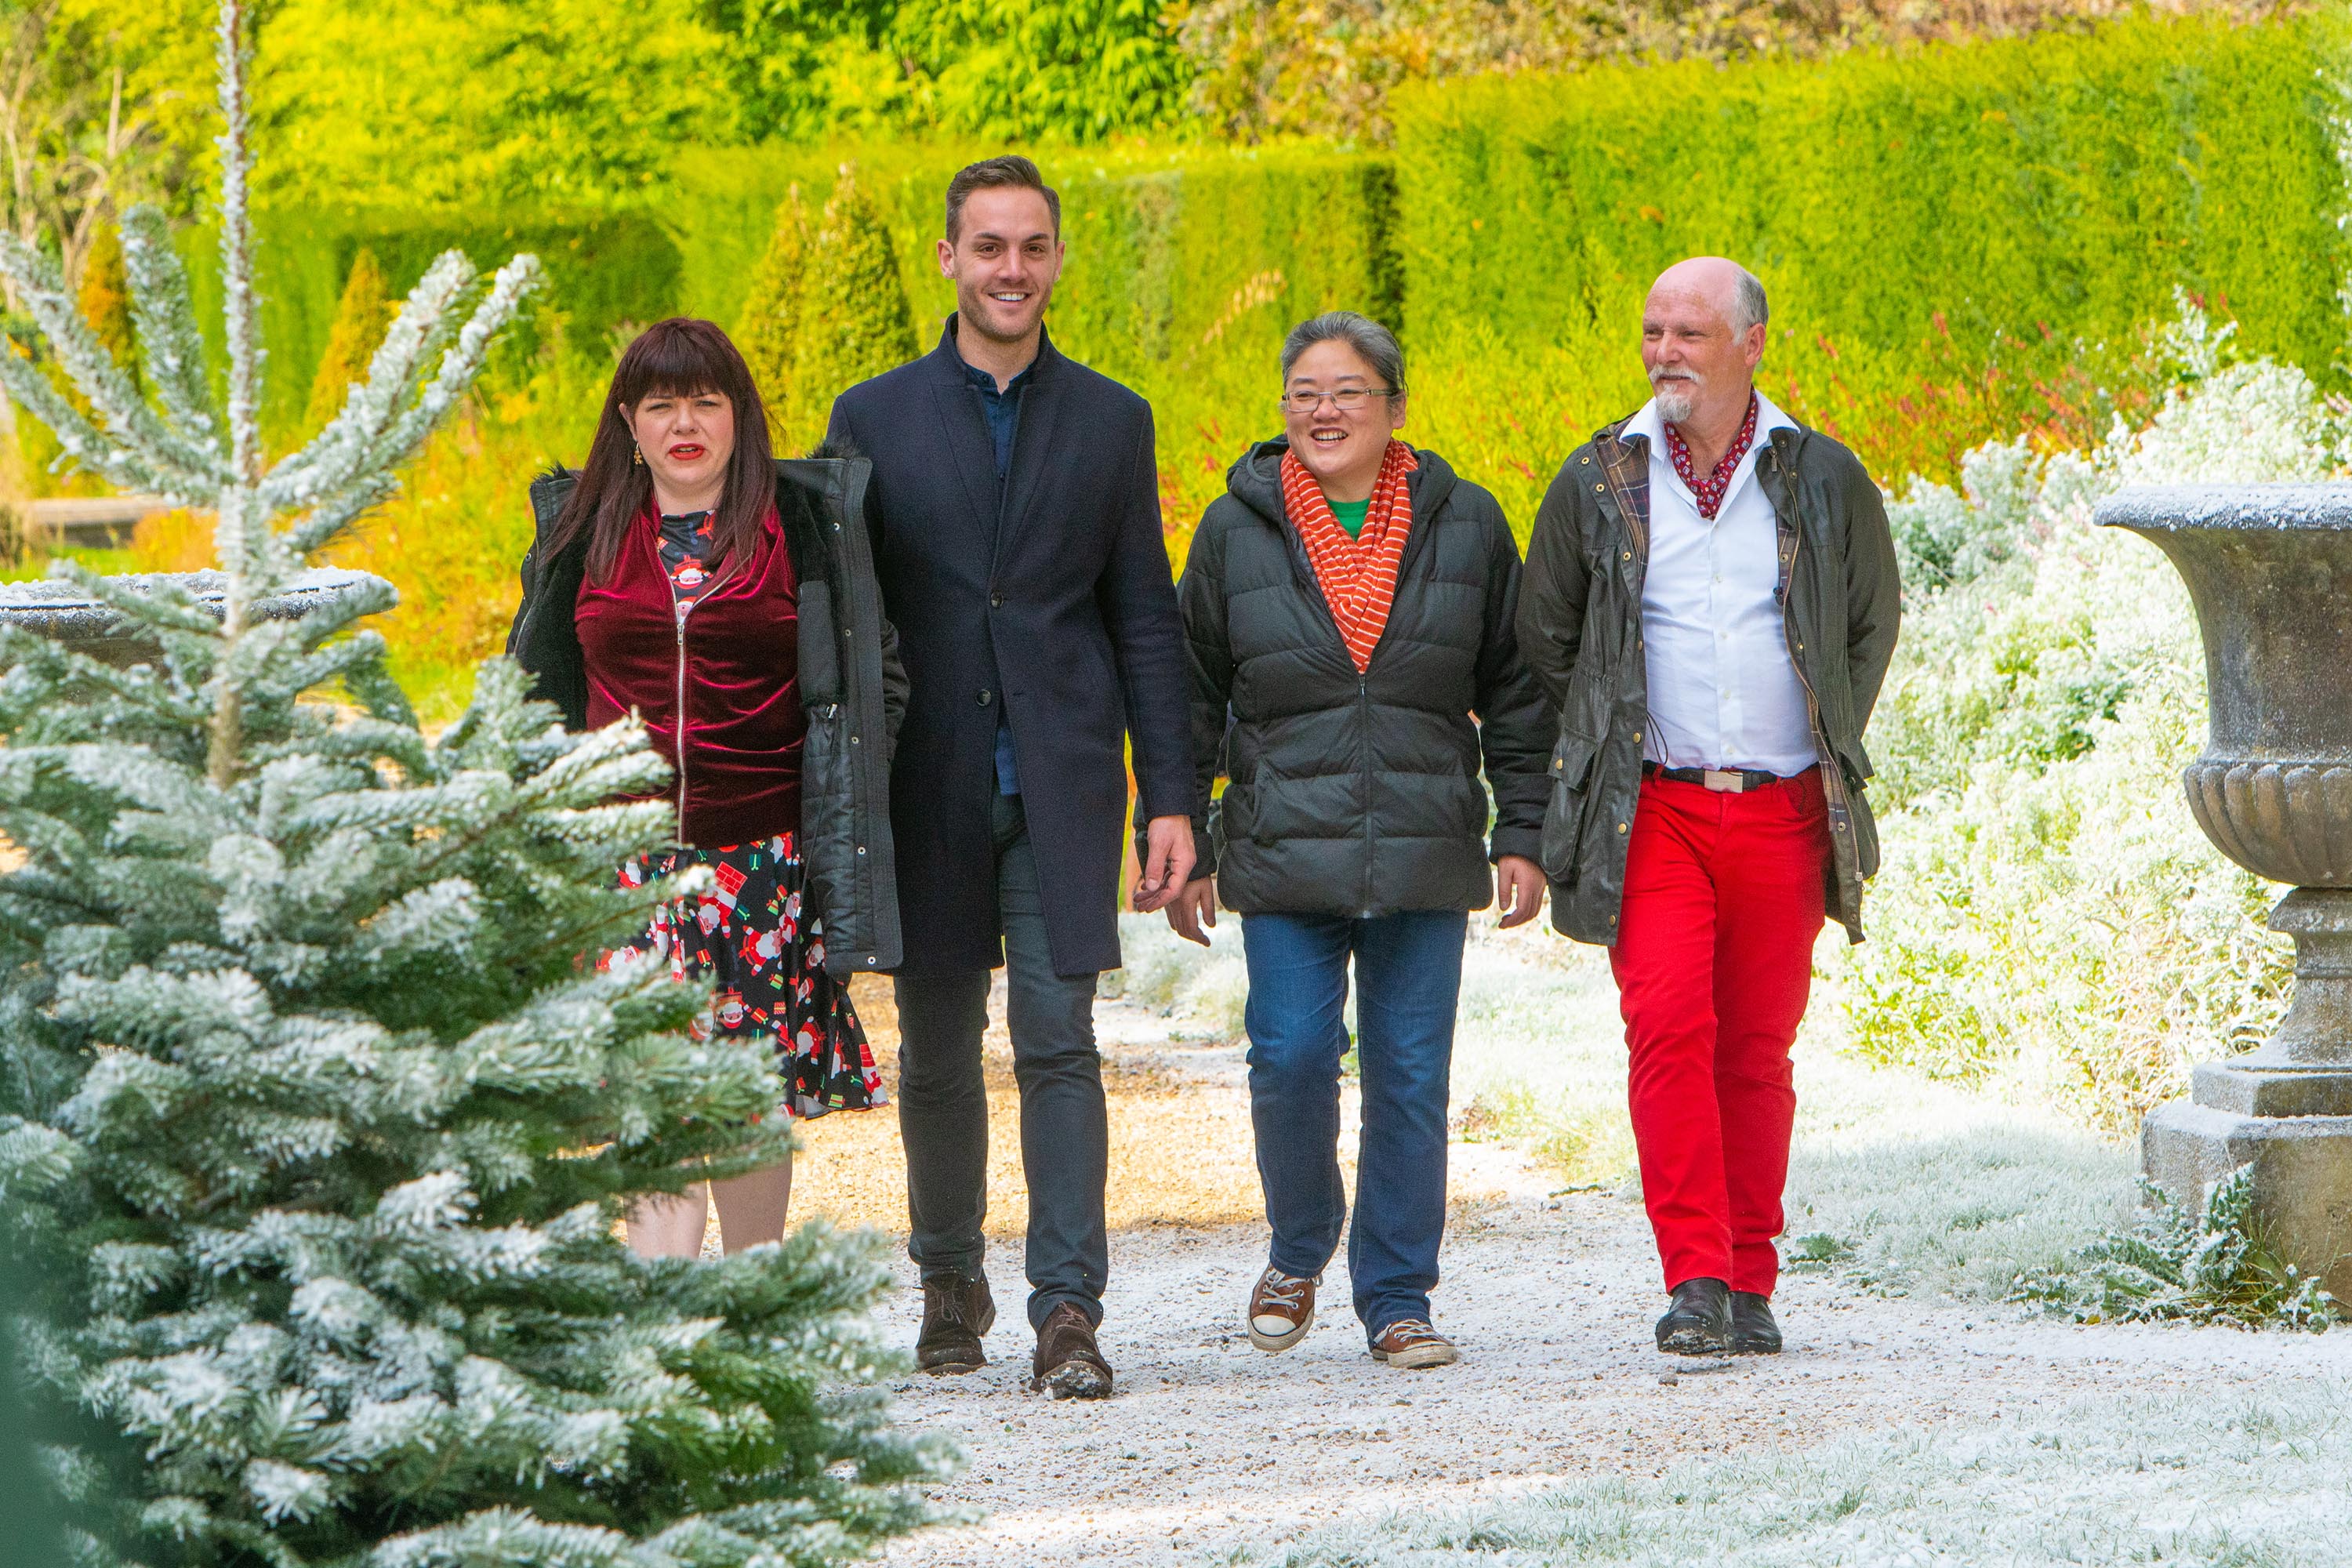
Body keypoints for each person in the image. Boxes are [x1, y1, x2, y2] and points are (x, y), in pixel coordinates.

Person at [826, 155, 1192, 1400]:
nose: (1012, 269)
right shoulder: (870, 418)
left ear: (1057, 261)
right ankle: (947, 1282)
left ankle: (1069, 1310)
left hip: (1063, 781)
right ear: (949, 259)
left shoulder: (1111, 418)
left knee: (1057, 1038)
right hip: (922, 781)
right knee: (934, 1052)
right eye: (989, 247)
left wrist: (1176, 798)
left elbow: (1145, 618)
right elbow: (843, 617)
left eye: (1033, 247)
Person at [1516, 259, 1900, 1357]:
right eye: (1652, 331)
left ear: (1751, 343)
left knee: (1759, 1049)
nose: (1665, 351)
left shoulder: (1823, 477)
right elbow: (1548, 637)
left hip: (1781, 809)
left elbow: (1868, 624)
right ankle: (1694, 1276)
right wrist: (1607, 741)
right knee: (1669, 1028)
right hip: (1657, 812)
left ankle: (1752, 1278)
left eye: (1689, 331)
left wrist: (1818, 731)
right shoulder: (1598, 479)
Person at [1165, 311, 1552, 1370]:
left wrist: (1522, 829)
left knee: (1410, 1076)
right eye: (1304, 393)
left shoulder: (1466, 522)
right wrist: (1187, 837)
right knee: (1288, 1056)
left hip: (1425, 846)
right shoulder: (1233, 528)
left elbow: (1516, 693)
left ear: (1396, 407)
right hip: (1286, 846)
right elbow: (1191, 694)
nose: (1323, 411)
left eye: (1347, 392)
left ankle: (1397, 1298)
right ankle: (1299, 1246)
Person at [506, 317, 904, 1258]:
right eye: (661, 403)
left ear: (740, 415)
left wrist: (841, 802)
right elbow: (532, 688)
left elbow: (876, 680)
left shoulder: (804, 527)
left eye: (706, 400)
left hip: (760, 862)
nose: (685, 422)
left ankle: (752, 1307)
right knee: (658, 1105)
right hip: (627, 870)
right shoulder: (578, 531)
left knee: (748, 1096)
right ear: (629, 422)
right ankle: (663, 1329)